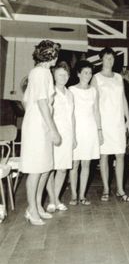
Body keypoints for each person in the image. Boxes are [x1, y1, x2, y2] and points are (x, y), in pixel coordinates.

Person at [20, 40, 61, 225]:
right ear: (51, 56)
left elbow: (25, 101)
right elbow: (42, 103)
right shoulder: (43, 73)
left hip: (38, 124)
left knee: (45, 168)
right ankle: (32, 210)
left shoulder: (37, 72)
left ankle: (36, 206)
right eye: (56, 54)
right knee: (36, 170)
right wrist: (53, 129)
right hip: (38, 127)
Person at [91, 48, 129, 202]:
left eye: (112, 58)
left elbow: (123, 99)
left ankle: (120, 189)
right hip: (104, 121)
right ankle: (106, 188)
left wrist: (128, 119)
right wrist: (98, 125)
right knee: (104, 155)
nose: (110, 60)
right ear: (102, 59)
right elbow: (94, 104)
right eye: (107, 58)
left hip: (118, 122)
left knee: (120, 155)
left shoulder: (119, 77)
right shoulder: (96, 78)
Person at [69, 60, 102, 206]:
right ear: (78, 74)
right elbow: (69, 114)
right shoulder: (71, 90)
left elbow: (96, 111)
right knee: (75, 163)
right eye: (85, 73)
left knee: (86, 163)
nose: (88, 76)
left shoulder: (94, 91)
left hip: (90, 130)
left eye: (90, 73)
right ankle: (74, 195)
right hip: (76, 129)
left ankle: (82, 195)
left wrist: (99, 131)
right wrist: (71, 134)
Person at [46, 62, 76, 213]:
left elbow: (72, 117)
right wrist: (51, 133)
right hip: (53, 135)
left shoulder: (70, 93)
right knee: (50, 169)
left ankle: (55, 198)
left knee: (63, 169)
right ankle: (53, 200)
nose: (63, 77)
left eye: (65, 75)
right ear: (54, 76)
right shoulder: (50, 92)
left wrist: (74, 136)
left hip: (68, 135)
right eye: (60, 75)